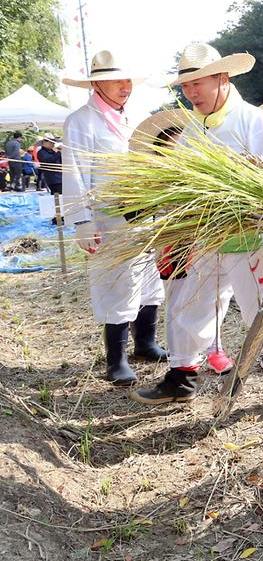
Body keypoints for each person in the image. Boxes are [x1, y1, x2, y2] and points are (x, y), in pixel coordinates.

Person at [131, 43, 263, 408]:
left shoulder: (255, 122)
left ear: (222, 78)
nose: (192, 93)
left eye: (199, 83)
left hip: (253, 238)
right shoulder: (193, 131)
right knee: (191, 307)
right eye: (186, 87)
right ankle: (182, 376)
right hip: (208, 237)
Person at [61, 50, 167, 385]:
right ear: (96, 83)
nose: (125, 86)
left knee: (149, 281)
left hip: (145, 214)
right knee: (116, 285)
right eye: (116, 79)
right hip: (107, 220)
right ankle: (116, 360)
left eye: (128, 80)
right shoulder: (81, 120)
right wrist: (82, 220)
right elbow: (74, 171)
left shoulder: (137, 116)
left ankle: (145, 343)